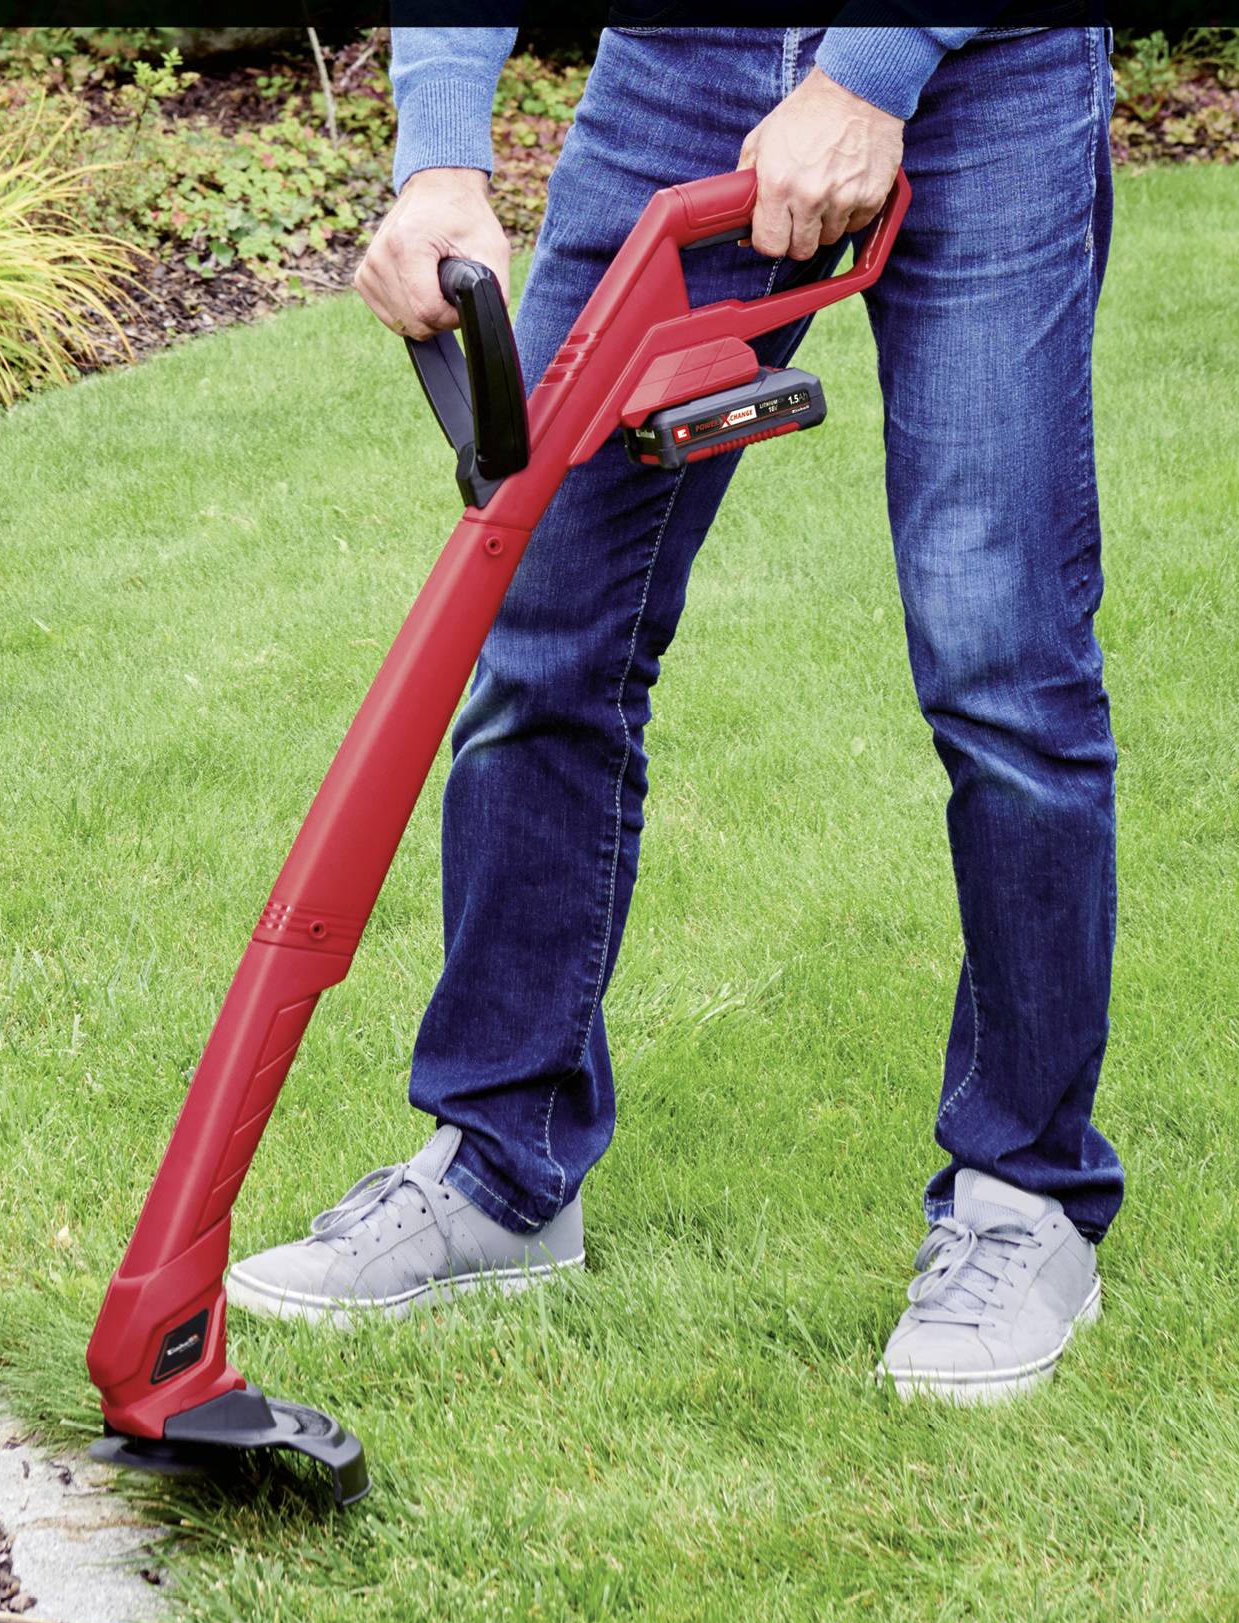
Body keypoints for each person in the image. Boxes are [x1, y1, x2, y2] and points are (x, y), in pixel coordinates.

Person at [228, 19, 1122, 1402]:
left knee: (999, 657)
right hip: (686, 63)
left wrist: (871, 74)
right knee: (545, 636)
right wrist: (442, 154)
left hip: (984, 74)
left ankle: (1025, 1198)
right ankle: (502, 1165)